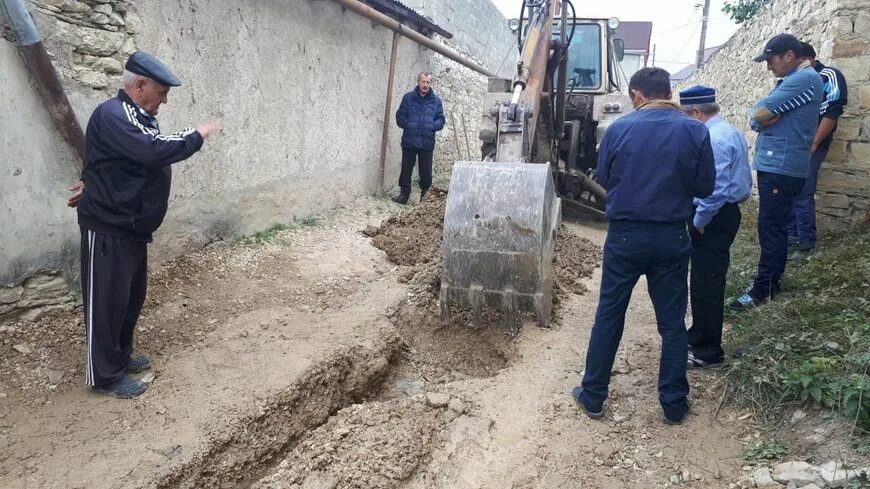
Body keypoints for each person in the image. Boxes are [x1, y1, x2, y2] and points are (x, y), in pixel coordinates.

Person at [73, 51, 222, 398]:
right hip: (107, 224)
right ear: (140, 85)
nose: (165, 100)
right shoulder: (114, 114)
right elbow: (151, 151)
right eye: (162, 92)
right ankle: (105, 375)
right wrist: (196, 134)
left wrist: (92, 181)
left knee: (129, 297)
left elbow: (112, 162)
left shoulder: (137, 115)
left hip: (131, 225)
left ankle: (120, 358)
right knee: (107, 301)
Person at [571, 68, 715, 424]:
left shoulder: (619, 128)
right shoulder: (696, 130)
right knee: (671, 323)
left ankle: (592, 397)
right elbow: (706, 186)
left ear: (637, 95)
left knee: (609, 314)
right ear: (668, 91)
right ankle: (674, 404)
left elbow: (604, 177)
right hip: (671, 236)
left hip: (625, 236)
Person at [730, 34, 823, 311]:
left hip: (781, 165)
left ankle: (765, 286)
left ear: (789, 56)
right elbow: (758, 116)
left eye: (771, 60)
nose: (769, 67)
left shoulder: (803, 79)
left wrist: (761, 118)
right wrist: (760, 119)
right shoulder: (795, 80)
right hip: (779, 163)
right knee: (773, 226)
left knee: (772, 228)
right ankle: (769, 280)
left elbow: (760, 112)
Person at [679, 86, 753, 369]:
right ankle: (698, 334)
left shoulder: (713, 138)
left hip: (713, 217)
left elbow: (715, 189)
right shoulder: (727, 130)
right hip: (720, 214)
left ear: (697, 112)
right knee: (702, 279)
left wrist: (699, 223)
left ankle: (708, 351)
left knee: (707, 283)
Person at [787, 41, 848, 257]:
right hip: (794, 141)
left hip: (814, 141)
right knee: (790, 186)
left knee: (803, 187)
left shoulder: (829, 75)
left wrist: (814, 143)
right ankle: (792, 235)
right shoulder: (794, 79)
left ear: (806, 59)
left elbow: (833, 111)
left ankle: (805, 241)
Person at [392, 72, 445, 204]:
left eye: (428, 82)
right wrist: (409, 125)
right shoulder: (408, 98)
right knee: (406, 169)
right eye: (423, 82)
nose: (425, 85)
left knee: (426, 172)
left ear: (430, 84)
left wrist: (432, 126)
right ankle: (404, 194)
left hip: (427, 141)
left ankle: (424, 196)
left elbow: (441, 119)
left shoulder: (436, 101)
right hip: (410, 140)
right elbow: (400, 116)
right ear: (418, 82)